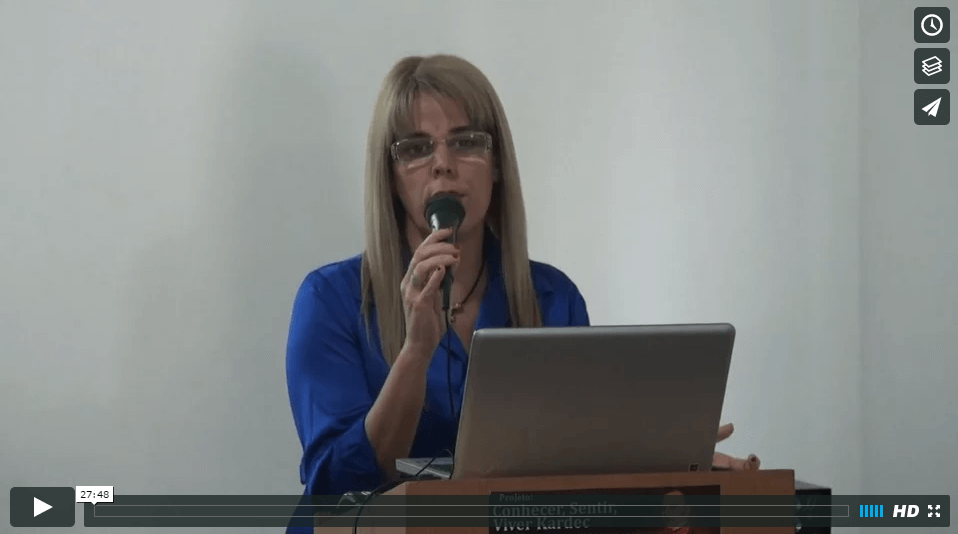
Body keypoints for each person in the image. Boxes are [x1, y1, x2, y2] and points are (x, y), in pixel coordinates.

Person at [284, 54, 756, 532]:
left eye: (466, 142)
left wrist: (667, 459)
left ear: (496, 165)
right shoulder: (330, 300)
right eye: (417, 148)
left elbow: (574, 467)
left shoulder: (552, 298)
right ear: (390, 176)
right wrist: (416, 352)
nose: (443, 165)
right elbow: (335, 488)